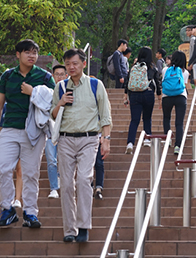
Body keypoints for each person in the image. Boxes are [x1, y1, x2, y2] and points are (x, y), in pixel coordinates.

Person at [51, 48, 112, 242]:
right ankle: (70, 229)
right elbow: (52, 115)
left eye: (75, 63)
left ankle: (83, 226)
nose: (71, 67)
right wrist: (60, 103)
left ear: (84, 64)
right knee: (67, 184)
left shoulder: (96, 84)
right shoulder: (60, 87)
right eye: (68, 64)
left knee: (84, 179)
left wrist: (106, 139)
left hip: (89, 138)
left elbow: (105, 114)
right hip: (65, 139)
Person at [0, 39, 55, 228]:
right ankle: (7, 208)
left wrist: (34, 93)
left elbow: (55, 103)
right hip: (9, 128)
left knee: (31, 173)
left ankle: (30, 213)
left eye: (34, 52)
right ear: (18, 55)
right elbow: (0, 105)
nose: (32, 56)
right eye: (27, 52)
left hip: (34, 131)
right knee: (3, 168)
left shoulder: (45, 77)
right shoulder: (7, 76)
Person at [124, 46, 162, 153]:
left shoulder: (134, 67)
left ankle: (130, 143)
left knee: (134, 120)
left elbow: (128, 82)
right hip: (148, 94)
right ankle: (147, 139)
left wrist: (125, 95)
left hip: (134, 95)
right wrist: (159, 98)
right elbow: (157, 83)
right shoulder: (152, 67)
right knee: (147, 118)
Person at [162, 51, 190, 155]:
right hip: (181, 97)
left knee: (166, 118)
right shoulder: (185, 72)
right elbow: (185, 85)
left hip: (167, 96)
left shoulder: (165, 70)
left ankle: (168, 139)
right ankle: (178, 146)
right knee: (179, 123)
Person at [46, 64, 68, 199]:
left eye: (62, 74)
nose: (59, 77)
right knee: (51, 160)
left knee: (64, 160)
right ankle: (53, 188)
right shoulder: (47, 91)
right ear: (52, 76)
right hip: (49, 130)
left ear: (66, 76)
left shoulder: (69, 89)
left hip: (65, 131)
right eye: (56, 74)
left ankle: (62, 180)